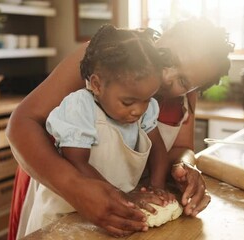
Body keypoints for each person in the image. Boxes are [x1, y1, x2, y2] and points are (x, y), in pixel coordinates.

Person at [7, 17, 233, 239]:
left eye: (183, 82)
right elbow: (21, 123)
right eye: (168, 58)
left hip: (127, 201)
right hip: (56, 181)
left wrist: (184, 166)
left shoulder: (184, 99)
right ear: (163, 33)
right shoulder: (107, 57)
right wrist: (76, 188)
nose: (166, 77)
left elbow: (181, 147)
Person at [20, 24, 176, 236]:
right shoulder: (80, 108)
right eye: (128, 101)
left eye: (147, 100)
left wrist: (158, 187)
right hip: (64, 216)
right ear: (97, 84)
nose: (138, 110)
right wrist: (123, 197)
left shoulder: (145, 109)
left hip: (111, 211)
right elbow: (77, 162)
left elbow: (158, 150)